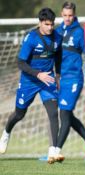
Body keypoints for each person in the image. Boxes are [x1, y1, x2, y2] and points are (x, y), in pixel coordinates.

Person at [0, 8, 62, 164]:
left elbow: (58, 56)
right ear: (40, 23)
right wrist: (38, 74)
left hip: (47, 80)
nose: (50, 27)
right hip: (29, 81)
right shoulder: (31, 38)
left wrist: (58, 76)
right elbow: (20, 63)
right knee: (19, 114)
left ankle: (53, 151)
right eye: (47, 24)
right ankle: (6, 133)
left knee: (53, 113)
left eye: (52, 24)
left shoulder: (58, 38)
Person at [46, 2, 85, 163]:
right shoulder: (57, 31)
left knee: (65, 114)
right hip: (60, 79)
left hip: (74, 79)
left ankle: (56, 150)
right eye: (65, 15)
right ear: (61, 14)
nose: (68, 18)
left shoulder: (80, 32)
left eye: (70, 15)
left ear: (74, 15)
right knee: (67, 114)